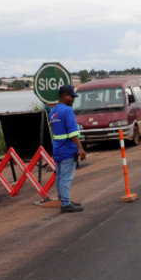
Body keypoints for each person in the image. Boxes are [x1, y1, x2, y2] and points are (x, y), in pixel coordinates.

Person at [49, 84, 87, 213]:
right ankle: (66, 204)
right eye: (72, 97)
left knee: (60, 177)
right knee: (66, 178)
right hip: (67, 149)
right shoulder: (67, 111)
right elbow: (73, 133)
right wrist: (81, 149)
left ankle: (64, 199)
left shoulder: (53, 111)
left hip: (57, 149)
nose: (73, 99)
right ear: (65, 96)